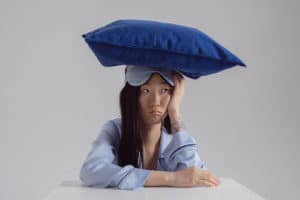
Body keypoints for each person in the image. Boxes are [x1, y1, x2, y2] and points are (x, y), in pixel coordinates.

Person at [79, 65, 221, 190]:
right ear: (133, 95)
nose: (155, 102)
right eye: (146, 90)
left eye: (164, 90)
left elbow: (194, 177)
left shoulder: (176, 141)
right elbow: (91, 171)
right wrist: (172, 178)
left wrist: (175, 113)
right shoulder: (115, 130)